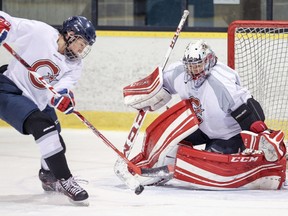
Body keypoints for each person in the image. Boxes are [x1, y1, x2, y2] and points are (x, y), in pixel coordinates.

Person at [116, 39, 286, 189]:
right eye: (190, 65)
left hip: (228, 135)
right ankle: (157, 170)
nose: (194, 70)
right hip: (201, 128)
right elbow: (160, 83)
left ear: (209, 61)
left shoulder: (220, 83)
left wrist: (261, 132)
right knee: (168, 146)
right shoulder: (180, 72)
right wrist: (148, 93)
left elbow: (247, 109)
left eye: (198, 65)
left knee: (209, 165)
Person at [0, 11, 96, 202]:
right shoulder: (41, 33)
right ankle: (66, 180)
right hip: (10, 89)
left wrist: (62, 98)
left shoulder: (75, 64)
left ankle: (49, 177)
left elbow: (61, 89)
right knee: (42, 125)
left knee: (57, 144)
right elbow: (11, 23)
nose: (81, 49)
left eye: (85, 46)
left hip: (37, 99)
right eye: (81, 43)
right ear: (70, 34)